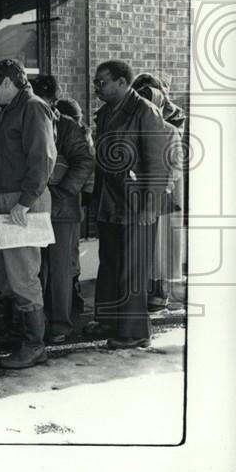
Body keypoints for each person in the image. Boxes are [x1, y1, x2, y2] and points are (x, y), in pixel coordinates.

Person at [0, 59, 56, 369]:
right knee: (5, 275)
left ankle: (34, 344)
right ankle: (17, 332)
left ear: (8, 82)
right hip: (7, 200)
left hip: (21, 202)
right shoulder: (9, 108)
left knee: (23, 276)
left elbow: (43, 157)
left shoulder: (33, 107)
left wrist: (25, 200)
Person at [86, 61, 171, 348]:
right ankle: (111, 319)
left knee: (132, 269)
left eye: (102, 82)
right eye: (96, 82)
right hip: (110, 202)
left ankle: (136, 333)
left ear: (123, 82)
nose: (97, 87)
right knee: (110, 263)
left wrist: (150, 205)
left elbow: (159, 163)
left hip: (137, 204)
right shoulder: (107, 112)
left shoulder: (145, 112)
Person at [31, 76, 96, 343]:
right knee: (36, 269)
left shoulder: (67, 127)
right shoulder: (31, 121)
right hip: (36, 206)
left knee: (58, 270)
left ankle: (60, 324)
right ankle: (41, 322)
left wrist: (61, 192)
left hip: (60, 208)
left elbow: (84, 161)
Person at [131, 74, 187, 312]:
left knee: (163, 240)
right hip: (147, 181)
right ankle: (150, 288)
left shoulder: (172, 119)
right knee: (149, 240)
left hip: (166, 182)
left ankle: (161, 291)